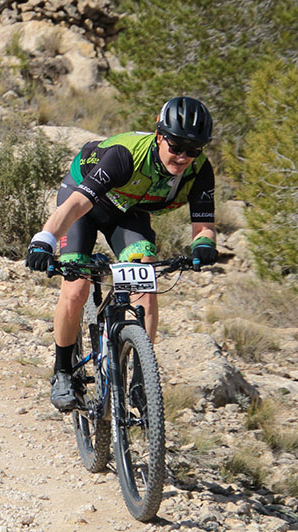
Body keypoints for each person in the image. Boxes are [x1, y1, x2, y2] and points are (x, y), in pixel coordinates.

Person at [25, 96, 218, 412]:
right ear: (159, 136)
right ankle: (62, 372)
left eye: (193, 149)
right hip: (84, 203)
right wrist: (44, 240)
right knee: (75, 289)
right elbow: (76, 205)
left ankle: (142, 378)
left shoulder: (200, 171)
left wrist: (204, 246)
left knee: (145, 285)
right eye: (176, 146)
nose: (183, 156)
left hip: (128, 209)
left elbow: (204, 226)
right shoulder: (125, 156)